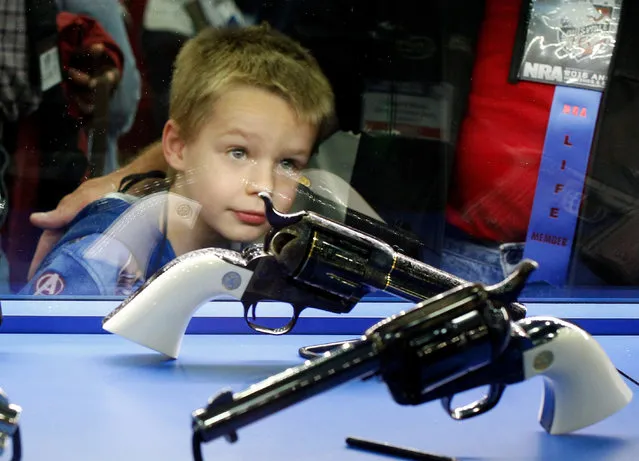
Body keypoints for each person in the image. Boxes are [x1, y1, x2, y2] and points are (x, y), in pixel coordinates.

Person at [22, 23, 334, 295]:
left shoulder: (250, 249)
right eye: (238, 153)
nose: (264, 186)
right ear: (177, 147)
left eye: (288, 163)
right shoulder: (103, 260)